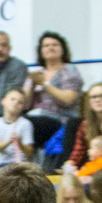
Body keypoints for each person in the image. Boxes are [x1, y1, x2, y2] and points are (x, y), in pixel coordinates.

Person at [24, 31, 83, 160]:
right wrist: (31, 86)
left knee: (29, 124)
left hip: (61, 120)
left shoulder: (69, 70)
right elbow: (24, 105)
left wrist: (46, 84)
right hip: (37, 120)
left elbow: (69, 99)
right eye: (46, 45)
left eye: (55, 45)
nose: (50, 48)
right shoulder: (37, 74)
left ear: (62, 49)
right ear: (41, 51)